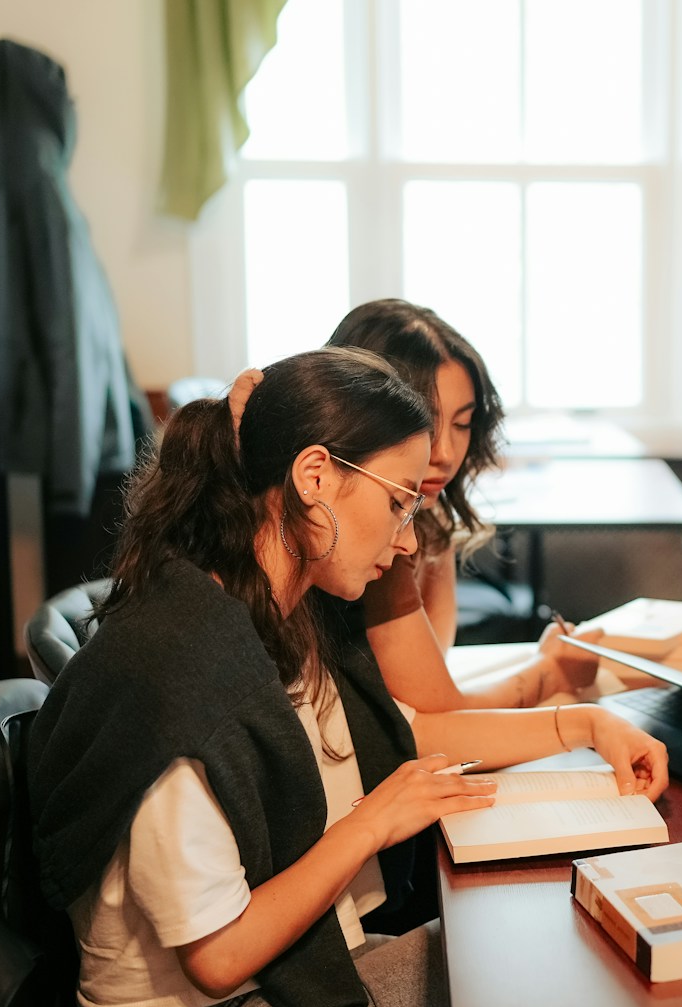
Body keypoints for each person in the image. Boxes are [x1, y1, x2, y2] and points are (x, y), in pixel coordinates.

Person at [22, 346, 682, 1007]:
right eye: (396, 503)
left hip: (270, 988)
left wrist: (580, 723)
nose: (402, 544)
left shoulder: (265, 606)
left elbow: (408, 734)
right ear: (315, 476)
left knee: (575, 983)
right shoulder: (184, 673)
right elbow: (215, 955)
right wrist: (369, 824)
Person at [233, 299, 599, 715]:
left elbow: (435, 664)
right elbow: (437, 714)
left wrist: (422, 511)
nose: (442, 452)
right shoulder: (352, 542)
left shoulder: (415, 519)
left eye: (462, 424)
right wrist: (549, 676)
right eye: (425, 423)